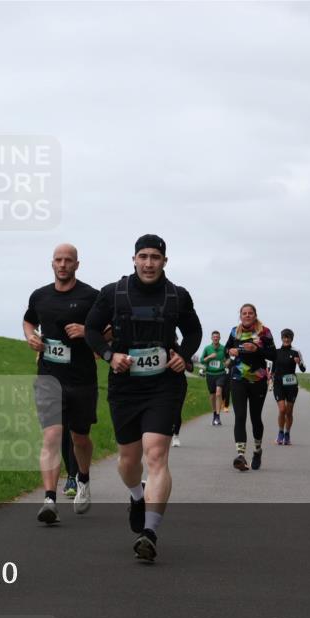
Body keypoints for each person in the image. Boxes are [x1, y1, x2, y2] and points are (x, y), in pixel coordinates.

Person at [85, 234, 202, 562]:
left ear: (165, 261)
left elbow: (193, 332)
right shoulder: (113, 293)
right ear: (134, 259)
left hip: (164, 386)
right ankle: (137, 496)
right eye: (144, 257)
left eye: (155, 257)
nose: (149, 263)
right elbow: (91, 330)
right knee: (128, 460)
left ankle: (149, 532)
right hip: (125, 387)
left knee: (156, 454)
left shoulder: (177, 296)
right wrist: (110, 355)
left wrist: (183, 355)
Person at [23, 244, 99, 523]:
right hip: (48, 377)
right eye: (58, 260)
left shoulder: (92, 296)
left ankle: (83, 478)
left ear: (77, 264)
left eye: (68, 260)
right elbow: (28, 321)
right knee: (52, 436)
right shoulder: (40, 296)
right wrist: (31, 337)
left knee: (80, 437)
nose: (63, 264)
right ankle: (49, 500)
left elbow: (109, 331)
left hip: (81, 379)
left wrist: (87, 331)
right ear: (52, 263)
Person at [224, 304, 277, 471]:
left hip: (258, 379)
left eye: (250, 313)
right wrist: (230, 351)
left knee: (255, 418)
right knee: (240, 416)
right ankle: (241, 456)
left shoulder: (264, 332)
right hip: (238, 378)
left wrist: (257, 349)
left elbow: (273, 355)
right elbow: (226, 349)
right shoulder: (235, 331)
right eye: (244, 313)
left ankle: (257, 450)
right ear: (240, 316)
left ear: (255, 315)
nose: (247, 315)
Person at [273, 329, 307, 445]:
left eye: (288, 337)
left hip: (291, 385)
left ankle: (287, 434)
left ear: (292, 339)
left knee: (289, 412)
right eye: (284, 337)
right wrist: (270, 377)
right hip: (278, 384)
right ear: (281, 338)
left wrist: (299, 363)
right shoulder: (276, 351)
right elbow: (272, 367)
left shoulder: (296, 352)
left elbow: (303, 369)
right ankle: (280, 433)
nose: (286, 339)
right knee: (282, 409)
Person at [200, 330, 228, 426]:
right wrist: (209, 357)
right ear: (211, 338)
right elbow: (201, 361)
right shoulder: (207, 348)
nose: (216, 338)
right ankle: (214, 414)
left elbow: (228, 359)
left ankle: (218, 416)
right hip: (210, 374)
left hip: (221, 373)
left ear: (219, 338)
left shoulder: (223, 348)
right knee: (212, 395)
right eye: (214, 337)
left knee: (218, 393)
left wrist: (226, 363)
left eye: (217, 337)